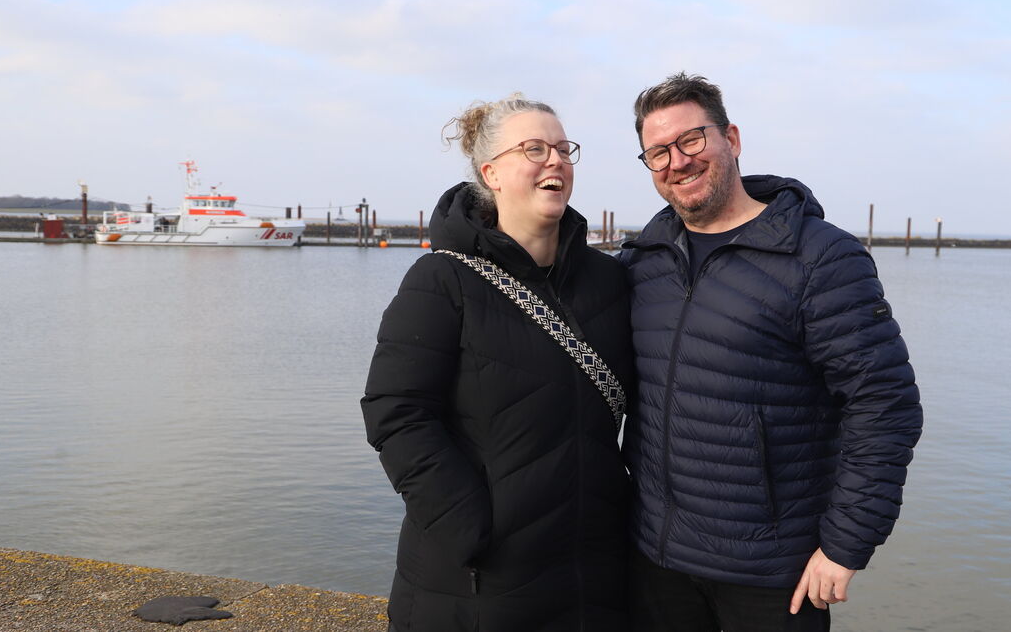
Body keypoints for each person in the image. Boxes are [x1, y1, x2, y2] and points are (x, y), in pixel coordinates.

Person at [619, 72, 923, 631]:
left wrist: (845, 545)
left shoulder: (821, 257)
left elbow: (884, 405)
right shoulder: (643, 260)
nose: (677, 161)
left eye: (691, 139)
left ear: (731, 139)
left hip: (773, 572)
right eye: (658, 152)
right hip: (657, 561)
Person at [361, 94, 634, 631]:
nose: (555, 161)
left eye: (563, 150)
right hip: (476, 583)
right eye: (534, 149)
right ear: (491, 173)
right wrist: (468, 526)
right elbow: (396, 411)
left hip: (592, 573)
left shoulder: (609, 282)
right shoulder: (443, 279)